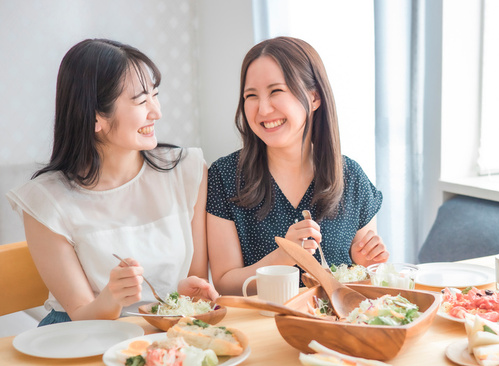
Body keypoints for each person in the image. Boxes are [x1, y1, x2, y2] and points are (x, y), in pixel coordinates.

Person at [6, 39, 217, 326]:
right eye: (141, 101)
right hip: (84, 338)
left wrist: (185, 293)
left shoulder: (185, 170)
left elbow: (193, 282)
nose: (156, 111)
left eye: (155, 95)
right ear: (95, 116)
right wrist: (113, 297)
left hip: (165, 331)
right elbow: (81, 315)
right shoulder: (46, 201)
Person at [207, 36, 388, 295]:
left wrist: (366, 266)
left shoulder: (351, 177)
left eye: (276, 91)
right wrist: (285, 255)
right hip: (263, 327)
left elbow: (361, 285)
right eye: (251, 95)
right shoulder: (225, 177)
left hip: (336, 329)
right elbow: (226, 284)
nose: (263, 109)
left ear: (314, 97)